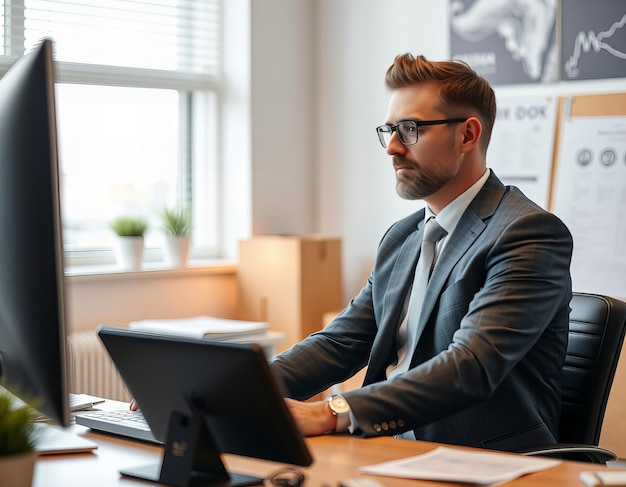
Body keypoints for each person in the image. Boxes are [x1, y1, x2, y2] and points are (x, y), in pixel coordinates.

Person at [268, 53, 573, 451]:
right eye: (389, 130)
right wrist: (239, 390)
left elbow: (471, 366)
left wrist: (331, 412)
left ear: (467, 135)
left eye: (410, 129)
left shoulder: (527, 233)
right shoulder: (403, 237)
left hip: (482, 460)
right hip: (389, 448)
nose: (392, 147)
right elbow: (340, 343)